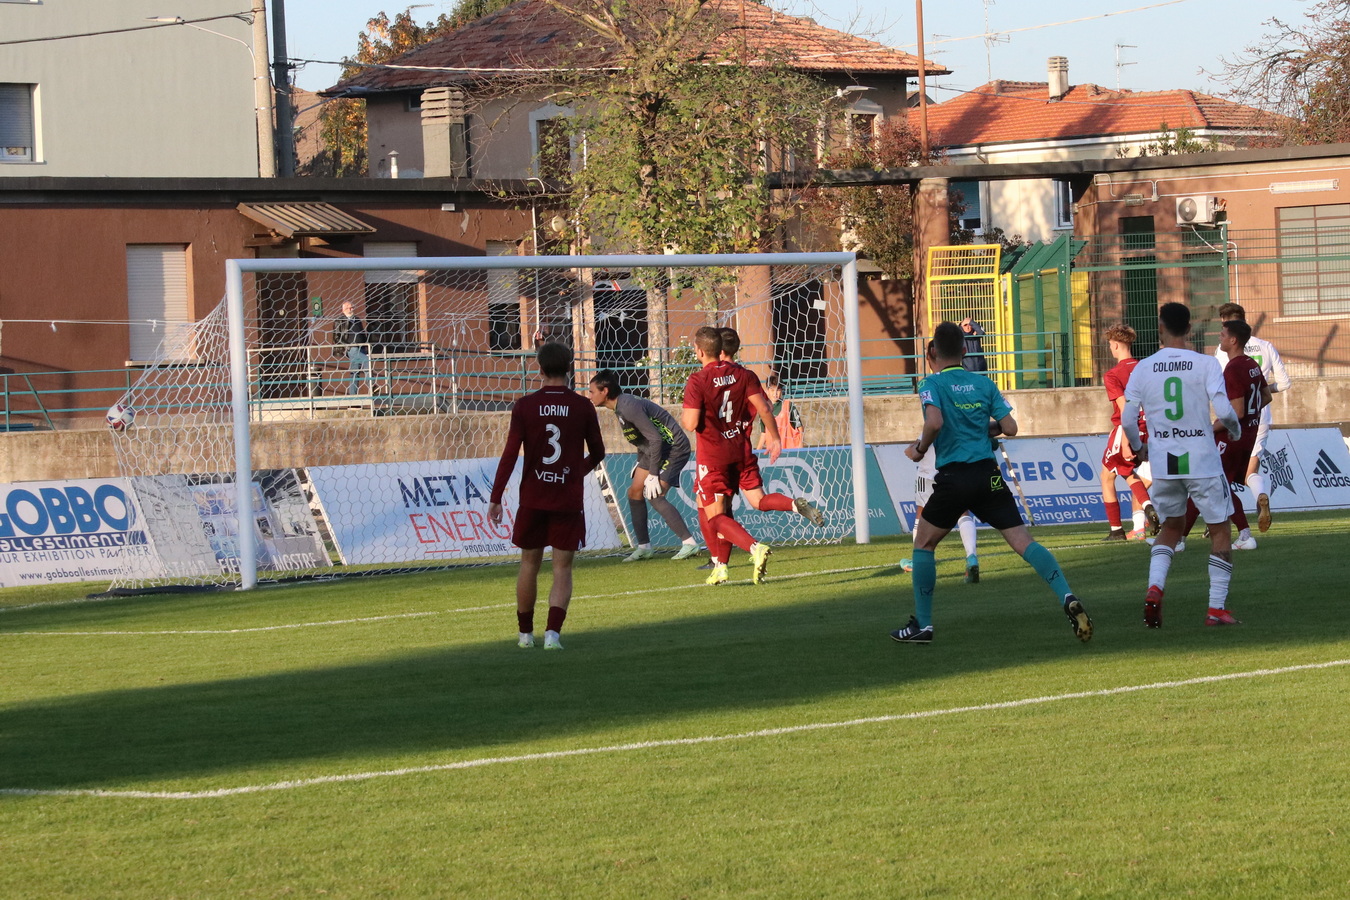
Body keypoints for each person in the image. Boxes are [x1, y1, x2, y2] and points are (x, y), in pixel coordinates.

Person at [891, 321, 1092, 644]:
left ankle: (923, 626)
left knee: (924, 544)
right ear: (965, 350)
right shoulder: (983, 384)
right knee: (1024, 542)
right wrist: (981, 429)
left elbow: (935, 422)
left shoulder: (931, 384)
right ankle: (1066, 594)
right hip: (988, 475)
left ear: (932, 352)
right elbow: (1009, 427)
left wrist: (919, 449)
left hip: (955, 478)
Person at [1122, 302, 1244, 628]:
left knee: (1171, 529)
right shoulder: (1205, 364)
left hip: (1165, 460)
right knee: (1220, 529)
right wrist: (1233, 430)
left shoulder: (1143, 368)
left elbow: (1128, 418)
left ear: (1160, 328)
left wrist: (1138, 447)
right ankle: (1216, 608)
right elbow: (1224, 409)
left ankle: (1154, 588)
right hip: (1201, 458)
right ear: (1189, 329)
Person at [488, 342, 606, 650]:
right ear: (570, 368)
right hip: (566, 497)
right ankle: (552, 635)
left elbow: (511, 453)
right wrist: (572, 472)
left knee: (529, 563)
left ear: (539, 370)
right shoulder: (583, 406)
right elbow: (598, 452)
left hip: (534, 498)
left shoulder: (525, 406)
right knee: (562, 567)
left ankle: (525, 635)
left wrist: (496, 496)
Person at [682, 326, 781, 586]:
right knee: (707, 507)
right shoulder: (744, 375)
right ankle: (720, 567)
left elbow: (691, 423)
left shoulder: (697, 380)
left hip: (712, 455)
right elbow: (764, 408)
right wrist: (775, 437)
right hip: (738, 449)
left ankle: (753, 548)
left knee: (716, 516)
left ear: (700, 350)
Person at [587, 369, 701, 562]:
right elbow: (644, 438)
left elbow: (656, 439)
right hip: (654, 450)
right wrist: (642, 461)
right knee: (634, 493)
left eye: (591, 391)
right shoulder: (619, 407)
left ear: (604, 391)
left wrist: (653, 474)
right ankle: (644, 548)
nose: (589, 396)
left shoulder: (628, 406)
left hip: (673, 448)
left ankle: (689, 543)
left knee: (654, 495)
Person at [1182, 318, 1271, 551]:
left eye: (1222, 334)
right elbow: (1267, 397)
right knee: (1218, 486)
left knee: (1206, 483)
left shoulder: (1233, 368)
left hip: (1232, 437)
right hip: (1248, 435)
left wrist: (1209, 429)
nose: (1219, 338)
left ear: (1233, 340)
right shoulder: (1251, 364)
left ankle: (1178, 539)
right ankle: (1243, 534)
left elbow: (1237, 411)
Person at [1214, 302, 1292, 533]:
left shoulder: (1225, 354)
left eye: (1223, 328)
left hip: (1234, 420)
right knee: (1249, 472)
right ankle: (1260, 496)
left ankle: (1228, 525)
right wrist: (1256, 394)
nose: (1221, 334)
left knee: (1220, 477)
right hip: (1260, 417)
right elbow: (1284, 384)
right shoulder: (1265, 347)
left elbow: (1221, 385)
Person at [1099, 323, 1160, 542]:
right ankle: (1145, 512)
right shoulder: (1147, 368)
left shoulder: (1113, 375)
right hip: (1151, 428)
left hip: (1127, 429)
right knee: (1126, 472)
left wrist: (1126, 440)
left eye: (1110, 345)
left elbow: (1126, 410)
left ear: (1114, 345)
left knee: (1107, 476)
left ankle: (1117, 530)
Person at [900, 449, 982, 584]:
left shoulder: (934, 427)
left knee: (921, 511)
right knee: (962, 510)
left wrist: (915, 447)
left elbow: (921, 445)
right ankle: (971, 556)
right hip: (955, 468)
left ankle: (917, 561)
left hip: (929, 472)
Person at [332, 301, 370, 395]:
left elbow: (362, 334)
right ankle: (372, 385)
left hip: (361, 348)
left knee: (355, 372)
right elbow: (336, 337)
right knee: (367, 361)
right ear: (343, 309)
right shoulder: (340, 320)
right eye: (349, 308)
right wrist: (348, 345)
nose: (351, 309)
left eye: (352, 307)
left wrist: (366, 346)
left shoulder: (357, 319)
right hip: (351, 348)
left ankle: (353, 397)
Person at [757, 374, 804, 450]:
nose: (775, 393)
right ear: (767, 391)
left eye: (778, 390)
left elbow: (800, 427)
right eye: (772, 390)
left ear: (781, 391)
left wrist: (801, 445)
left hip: (789, 450)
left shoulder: (788, 405)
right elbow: (764, 433)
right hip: (773, 452)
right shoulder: (763, 409)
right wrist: (757, 451)